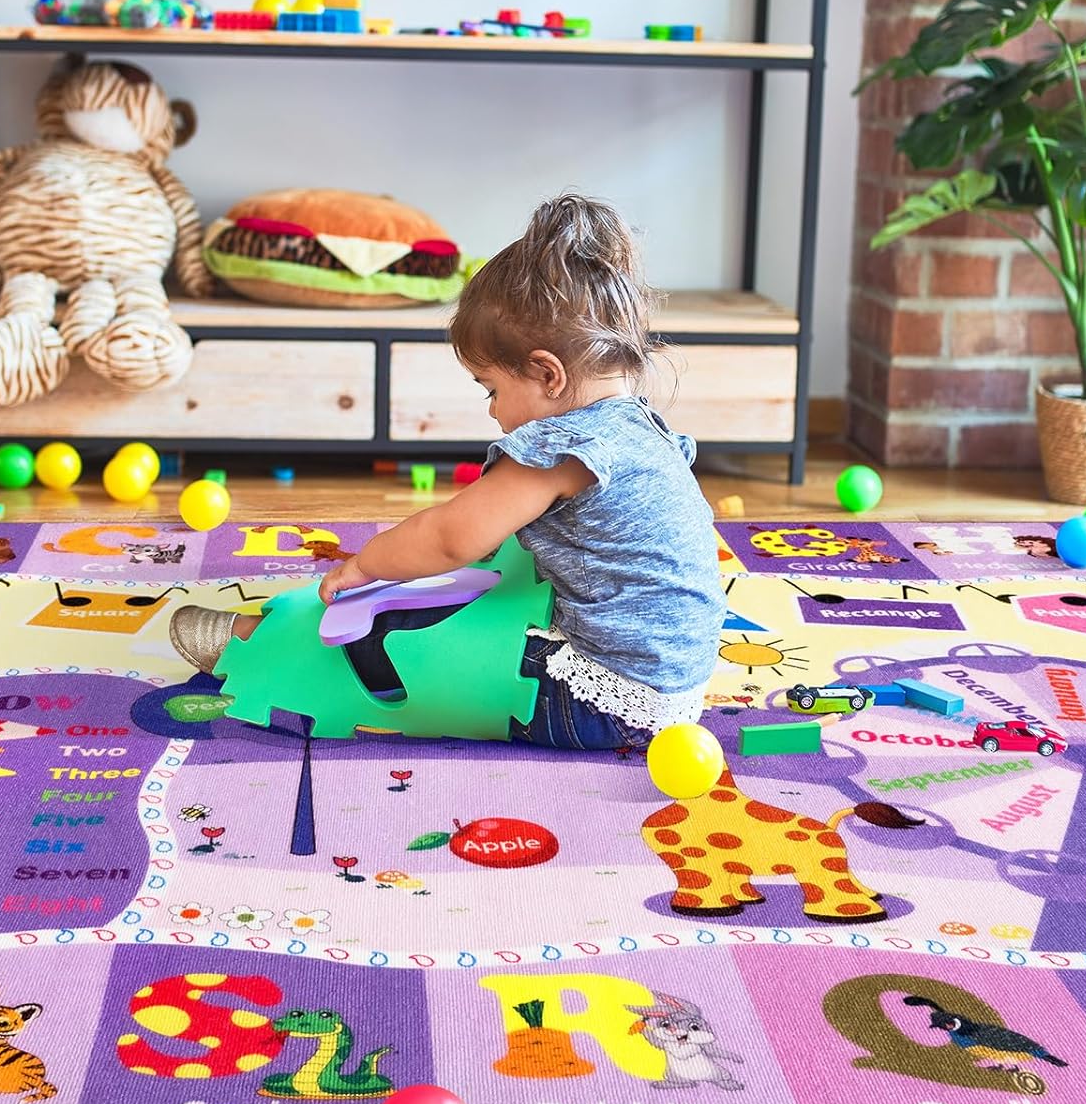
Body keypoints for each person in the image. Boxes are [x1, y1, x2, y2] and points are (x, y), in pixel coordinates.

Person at [170, 193, 725, 750]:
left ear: (547, 375)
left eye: (492, 389)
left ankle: (263, 647)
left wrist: (367, 564)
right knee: (479, 576)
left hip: (599, 704)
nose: (493, 411)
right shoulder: (641, 427)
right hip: (676, 690)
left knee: (412, 630)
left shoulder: (564, 446)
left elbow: (448, 538)